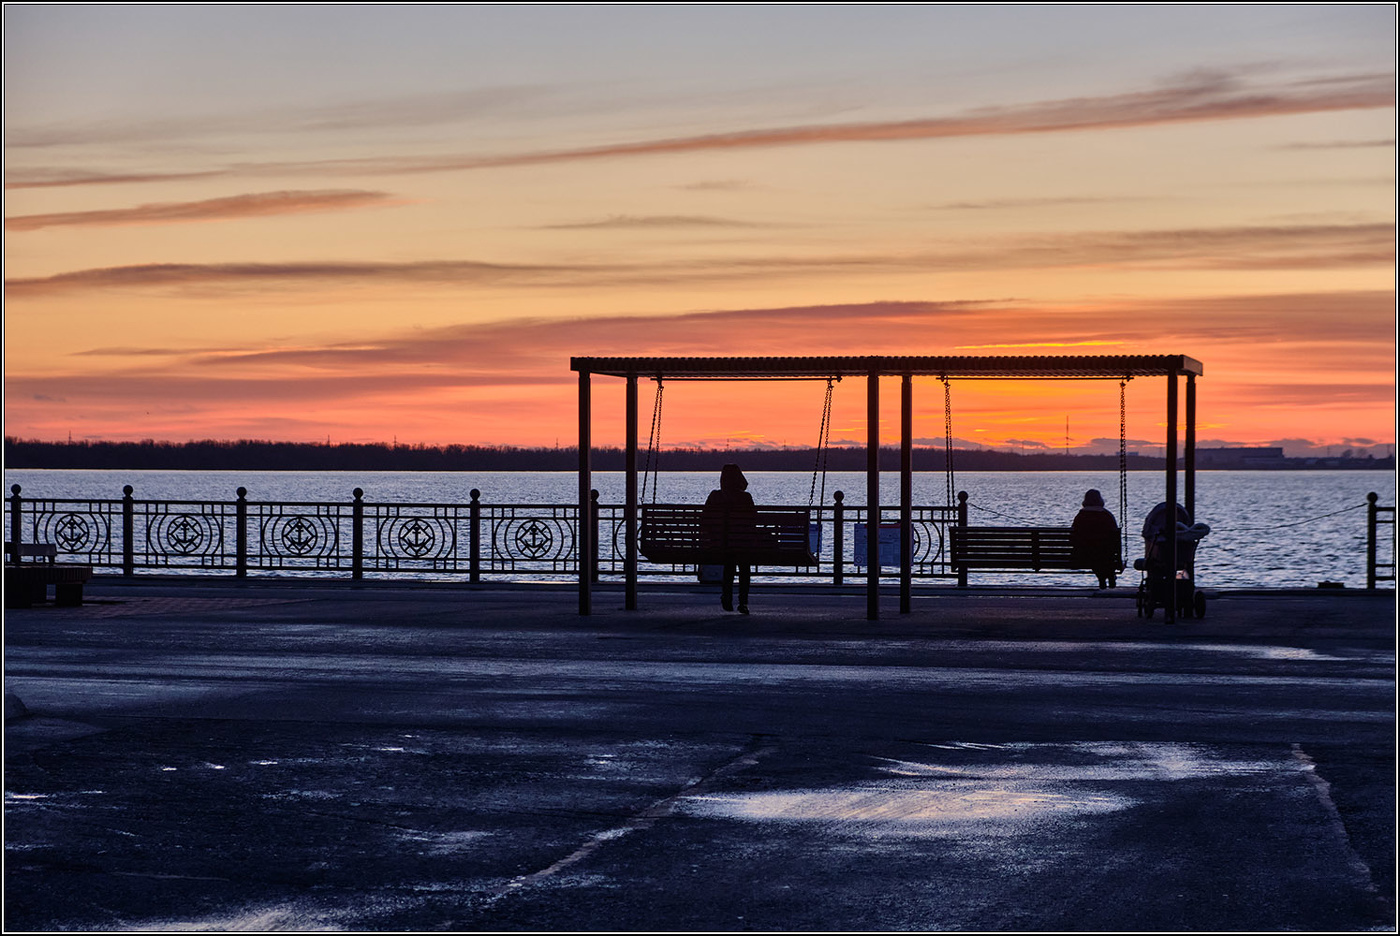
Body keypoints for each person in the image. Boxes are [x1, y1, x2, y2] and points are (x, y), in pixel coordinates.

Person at [702, 464, 757, 613]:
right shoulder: (745, 497)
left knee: (729, 563)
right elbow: (753, 520)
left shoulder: (715, 496)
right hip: (742, 544)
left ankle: (727, 595)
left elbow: (704, 520)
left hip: (720, 544)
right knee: (744, 566)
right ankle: (743, 602)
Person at [1071, 488, 1120, 588]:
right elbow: (1114, 540)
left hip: (1083, 556)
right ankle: (1110, 576)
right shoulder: (1106, 515)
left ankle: (1102, 579)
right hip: (1106, 555)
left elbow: (1073, 538)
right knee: (1103, 553)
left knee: (1093, 553)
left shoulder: (1080, 516)